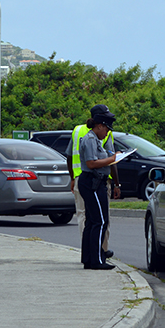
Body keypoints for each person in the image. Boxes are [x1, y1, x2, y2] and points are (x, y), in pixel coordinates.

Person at [68, 105, 121, 259]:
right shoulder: (95, 136)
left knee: (86, 218)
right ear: (100, 124)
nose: (107, 132)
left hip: (79, 179)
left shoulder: (78, 131)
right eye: (106, 127)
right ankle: (99, 253)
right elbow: (106, 162)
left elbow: (69, 156)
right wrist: (116, 182)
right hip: (93, 180)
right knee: (99, 220)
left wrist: (72, 177)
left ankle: (89, 254)